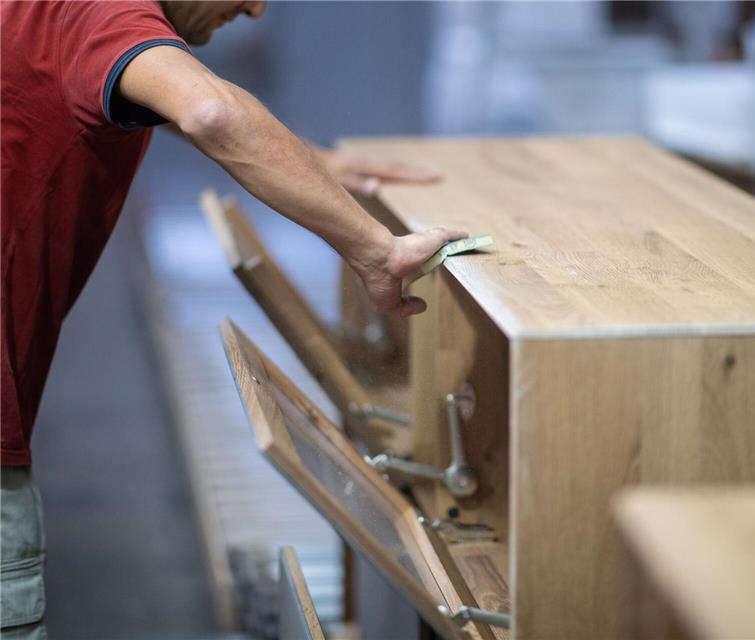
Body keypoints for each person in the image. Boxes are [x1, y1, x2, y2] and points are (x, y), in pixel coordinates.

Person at [0, 2, 465, 636]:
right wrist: (375, 250)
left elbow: (125, 89)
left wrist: (311, 166)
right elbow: (209, 110)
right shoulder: (100, 12)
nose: (253, 9)